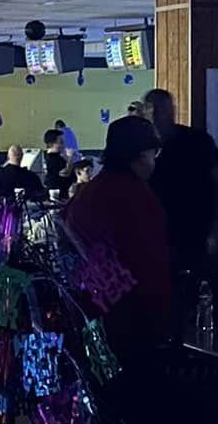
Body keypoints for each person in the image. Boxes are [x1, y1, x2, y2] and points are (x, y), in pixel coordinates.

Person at [65, 116, 171, 351]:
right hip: (130, 317)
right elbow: (150, 262)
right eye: (154, 154)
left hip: (91, 310)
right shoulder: (136, 196)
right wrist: (162, 321)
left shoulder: (88, 192)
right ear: (142, 154)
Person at [141, 87, 218, 283]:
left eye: (161, 109)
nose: (156, 115)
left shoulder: (197, 141)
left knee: (197, 291)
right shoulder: (143, 146)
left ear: (172, 110)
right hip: (154, 236)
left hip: (196, 231)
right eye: (151, 109)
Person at [33, 129, 75, 201]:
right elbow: (65, 173)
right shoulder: (52, 158)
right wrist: (70, 158)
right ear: (52, 143)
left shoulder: (55, 156)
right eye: (60, 142)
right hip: (59, 193)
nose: (63, 145)